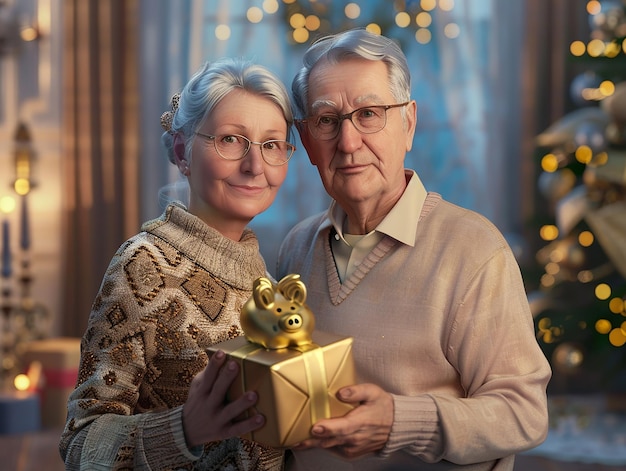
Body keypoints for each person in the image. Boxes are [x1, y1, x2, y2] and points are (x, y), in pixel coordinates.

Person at [276, 29, 552, 470]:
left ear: (408, 122)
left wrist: (398, 423)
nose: (347, 143)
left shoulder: (474, 250)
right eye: (327, 121)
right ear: (307, 141)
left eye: (369, 114)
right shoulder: (296, 248)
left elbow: (524, 415)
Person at [60, 58, 296, 470]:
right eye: (231, 140)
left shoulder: (270, 282)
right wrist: (184, 429)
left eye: (272, 145)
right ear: (184, 152)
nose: (255, 166)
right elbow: (80, 444)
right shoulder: (142, 264)